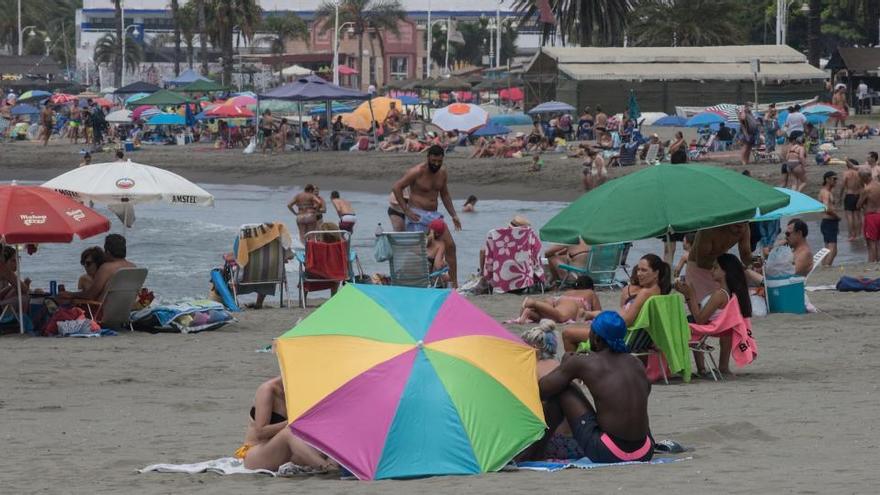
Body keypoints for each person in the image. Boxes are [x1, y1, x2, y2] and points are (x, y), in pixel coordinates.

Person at [522, 311, 653, 463]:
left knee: (564, 389)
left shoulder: (585, 361)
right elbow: (642, 392)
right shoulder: (635, 363)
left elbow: (543, 390)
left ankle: (532, 452)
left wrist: (566, 364)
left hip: (611, 452)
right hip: (645, 450)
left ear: (596, 338)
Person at [560, 254, 670, 352]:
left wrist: (602, 320)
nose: (639, 274)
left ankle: (574, 371)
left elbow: (626, 321)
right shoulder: (658, 292)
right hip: (639, 339)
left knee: (567, 334)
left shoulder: (645, 293)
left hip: (622, 338)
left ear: (656, 273)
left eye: (644, 270)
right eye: (638, 270)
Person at [392, 145, 462, 287]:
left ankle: (455, 284)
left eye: (439, 161)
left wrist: (454, 215)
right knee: (420, 252)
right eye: (434, 161)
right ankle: (417, 281)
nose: (436, 164)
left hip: (434, 216)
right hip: (417, 214)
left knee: (450, 245)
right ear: (428, 157)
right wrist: (406, 210)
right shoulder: (417, 171)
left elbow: (445, 194)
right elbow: (397, 187)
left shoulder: (442, 172)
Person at [235, 376, 335, 472]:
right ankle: (326, 468)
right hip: (255, 454)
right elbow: (260, 433)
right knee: (288, 432)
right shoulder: (267, 390)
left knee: (328, 436)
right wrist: (291, 422)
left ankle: (337, 465)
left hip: (283, 453)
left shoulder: (302, 393)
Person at [676, 253, 752, 377]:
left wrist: (690, 295)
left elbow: (699, 319)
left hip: (707, 327)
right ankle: (717, 367)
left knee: (680, 323)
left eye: (715, 268)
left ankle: (695, 368)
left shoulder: (719, 295)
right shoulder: (730, 293)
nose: (711, 271)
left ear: (725, 272)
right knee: (689, 320)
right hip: (722, 328)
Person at [58, 234, 137, 303]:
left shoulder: (106, 268)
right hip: (124, 313)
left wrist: (70, 294)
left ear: (108, 252)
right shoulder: (133, 267)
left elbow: (90, 295)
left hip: (100, 313)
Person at [687, 223, 751, 302]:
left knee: (722, 305)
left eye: (744, 225)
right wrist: (728, 267)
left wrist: (754, 262)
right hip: (698, 268)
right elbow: (701, 261)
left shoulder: (744, 226)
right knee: (701, 304)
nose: (740, 229)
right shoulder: (709, 229)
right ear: (729, 222)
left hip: (719, 267)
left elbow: (745, 254)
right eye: (737, 226)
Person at [514, 275, 600, 326]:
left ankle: (530, 312)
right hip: (574, 302)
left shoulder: (569, 291)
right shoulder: (590, 292)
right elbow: (599, 311)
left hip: (560, 299)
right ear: (591, 287)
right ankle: (533, 303)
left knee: (550, 318)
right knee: (562, 317)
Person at [819, 171, 840, 266]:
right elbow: (826, 207)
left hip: (829, 222)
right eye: (834, 179)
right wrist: (836, 216)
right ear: (827, 179)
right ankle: (826, 267)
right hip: (829, 222)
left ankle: (824, 266)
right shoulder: (825, 193)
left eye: (837, 179)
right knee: (832, 248)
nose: (836, 181)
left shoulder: (827, 191)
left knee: (829, 248)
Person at [858, 172, 880, 263]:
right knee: (878, 241)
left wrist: (864, 206)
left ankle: (871, 263)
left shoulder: (867, 189)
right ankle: (878, 262)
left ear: (864, 178)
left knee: (871, 242)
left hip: (871, 216)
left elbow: (858, 205)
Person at [0, 245, 30, 310]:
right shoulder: (3, 268)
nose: (17, 263)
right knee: (23, 299)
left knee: (14, 289)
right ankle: (19, 319)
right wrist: (26, 284)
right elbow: (23, 288)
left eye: (18, 259)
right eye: (13, 260)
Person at [842, 159, 865, 241]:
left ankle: (852, 235)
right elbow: (863, 186)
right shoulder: (860, 174)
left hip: (849, 195)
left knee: (850, 216)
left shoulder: (846, 173)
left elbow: (843, 185)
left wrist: (840, 196)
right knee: (858, 216)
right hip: (858, 195)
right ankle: (859, 234)